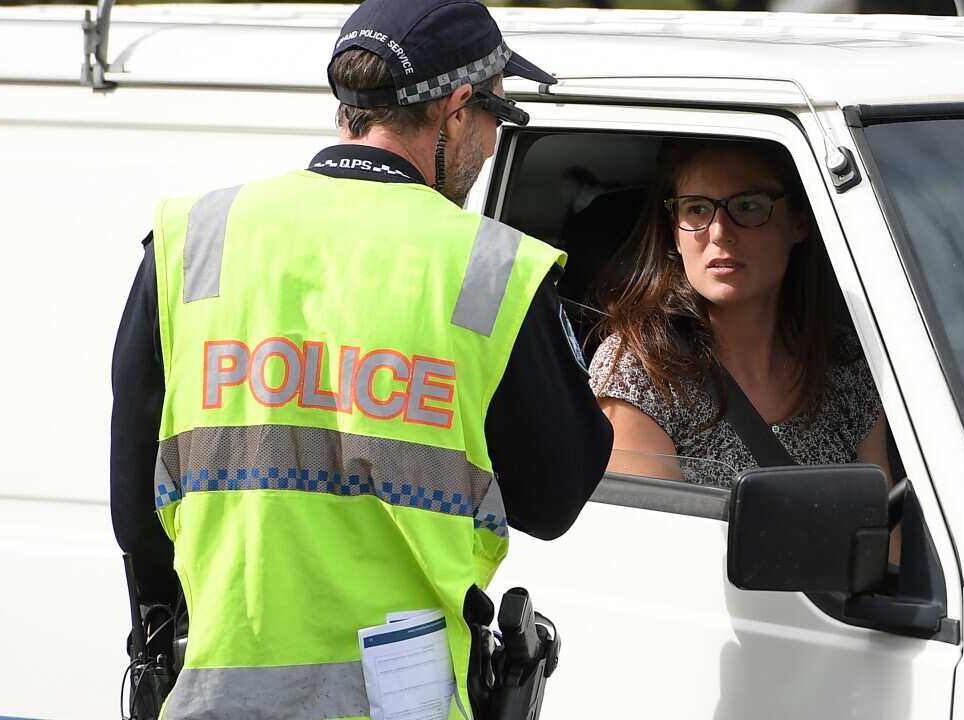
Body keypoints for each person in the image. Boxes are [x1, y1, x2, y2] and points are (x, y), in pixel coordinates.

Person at [109, 1, 613, 716]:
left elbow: (136, 512)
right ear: (458, 108)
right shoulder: (489, 269)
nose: (495, 143)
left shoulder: (194, 239)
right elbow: (555, 499)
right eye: (500, 118)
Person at [589, 138, 890, 487]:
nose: (719, 233)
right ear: (675, 231)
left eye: (747, 206)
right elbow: (656, 539)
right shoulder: (640, 370)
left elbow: (882, 532)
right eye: (697, 210)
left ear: (799, 222)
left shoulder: (846, 364)